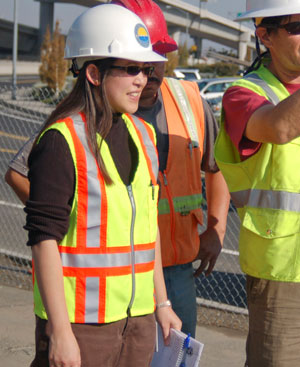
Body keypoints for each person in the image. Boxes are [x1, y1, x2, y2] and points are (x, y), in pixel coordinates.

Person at [5, 0, 230, 339]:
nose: (148, 74)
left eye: (154, 62)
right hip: (107, 292)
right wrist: (75, 229)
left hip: (173, 272)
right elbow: (23, 179)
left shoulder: (187, 101)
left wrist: (217, 229)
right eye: (134, 65)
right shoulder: (79, 123)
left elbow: (217, 167)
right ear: (98, 73)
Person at [17, 4, 181, 367]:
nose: (143, 79)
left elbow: (147, 231)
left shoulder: (144, 134)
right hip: (81, 326)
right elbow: (44, 240)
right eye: (131, 68)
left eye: (147, 68)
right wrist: (60, 332)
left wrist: (162, 304)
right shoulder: (61, 141)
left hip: (138, 323)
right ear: (93, 73)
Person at [214, 0, 300, 366]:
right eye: (298, 26)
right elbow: (280, 127)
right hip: (282, 273)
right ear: (265, 35)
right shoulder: (243, 94)